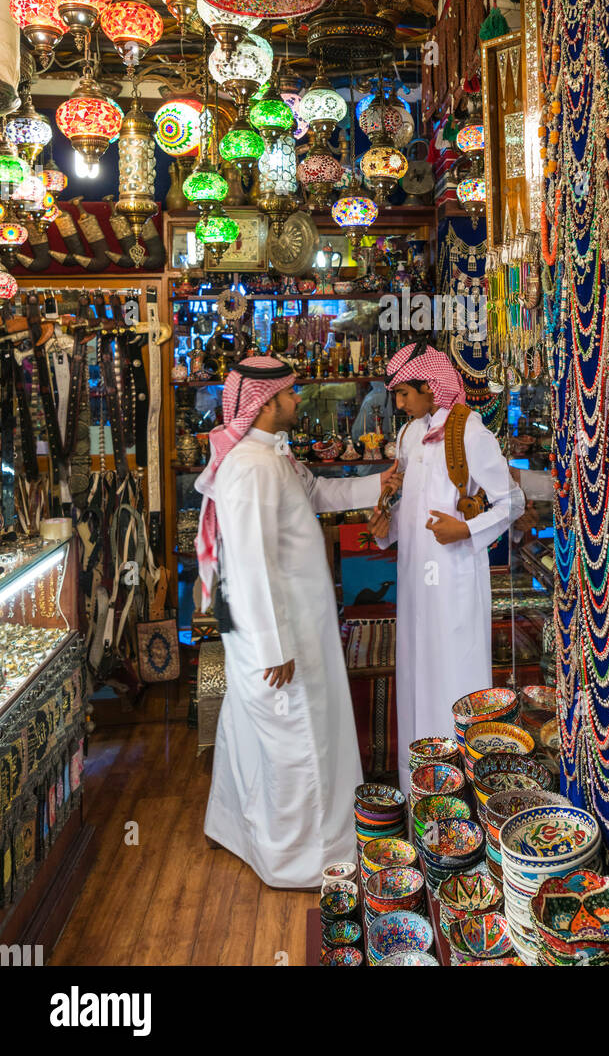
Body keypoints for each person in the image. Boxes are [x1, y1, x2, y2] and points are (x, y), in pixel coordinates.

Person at [194, 355, 394, 889]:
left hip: (293, 626)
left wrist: (383, 481)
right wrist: (274, 645)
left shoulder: (272, 457)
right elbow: (249, 562)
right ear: (264, 403)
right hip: (278, 636)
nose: (298, 399)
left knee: (256, 734)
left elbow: (321, 495)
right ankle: (304, 861)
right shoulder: (250, 469)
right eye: (290, 394)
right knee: (297, 740)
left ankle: (241, 832)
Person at [367, 343, 524, 796]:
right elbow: (409, 514)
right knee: (415, 681)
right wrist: (384, 527)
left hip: (454, 582)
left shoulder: (470, 433)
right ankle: (419, 793)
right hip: (416, 583)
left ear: (431, 387)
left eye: (403, 394)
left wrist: (467, 529)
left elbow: (511, 501)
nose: (398, 404)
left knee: (454, 680)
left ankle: (465, 799)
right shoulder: (410, 436)